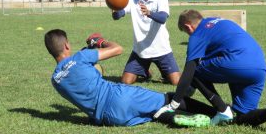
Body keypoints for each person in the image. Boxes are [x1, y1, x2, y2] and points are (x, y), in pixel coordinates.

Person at [154, 9, 266, 133]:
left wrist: (173, 105)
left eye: (186, 33)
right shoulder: (219, 21)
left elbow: (189, 72)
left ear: (188, 27)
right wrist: (189, 90)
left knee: (195, 69)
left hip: (237, 62)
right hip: (259, 67)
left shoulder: (197, 34)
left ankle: (223, 111)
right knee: (242, 117)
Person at [44, 29, 222, 127]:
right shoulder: (81, 57)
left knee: (153, 114)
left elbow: (83, 83)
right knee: (167, 99)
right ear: (67, 44)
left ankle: (172, 119)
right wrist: (99, 41)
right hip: (119, 97)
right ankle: (217, 112)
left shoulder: (55, 80)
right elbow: (118, 49)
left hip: (108, 119)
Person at [112, 0, 180, 85]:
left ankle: (165, 74)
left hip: (162, 50)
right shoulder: (131, 0)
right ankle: (145, 72)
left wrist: (149, 13)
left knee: (176, 81)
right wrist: (115, 11)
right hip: (140, 51)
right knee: (126, 82)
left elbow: (163, 18)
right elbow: (119, 14)